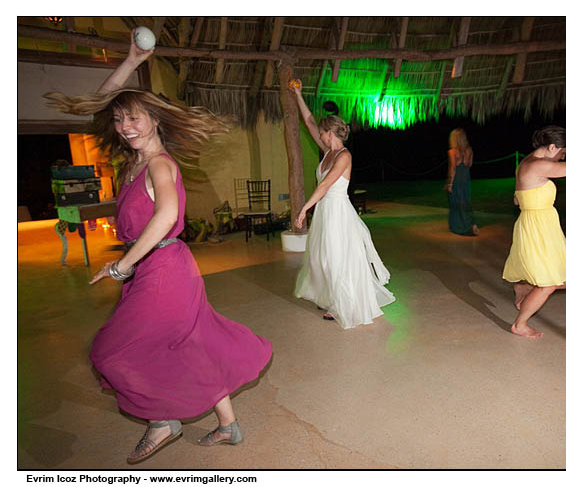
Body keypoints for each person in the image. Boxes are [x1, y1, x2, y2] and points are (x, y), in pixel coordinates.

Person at [44, 32, 273, 464]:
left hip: (161, 268)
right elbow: (102, 103)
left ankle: (162, 419)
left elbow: (166, 217)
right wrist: (131, 61)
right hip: (157, 266)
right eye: (120, 121)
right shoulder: (131, 159)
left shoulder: (160, 163)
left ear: (154, 120)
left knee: (110, 350)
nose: (124, 126)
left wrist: (121, 268)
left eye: (134, 119)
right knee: (189, 342)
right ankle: (228, 426)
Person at [289, 80, 395, 329]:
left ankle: (342, 304)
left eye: (323, 133)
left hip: (338, 213)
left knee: (337, 258)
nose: (320, 135)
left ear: (331, 133)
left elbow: (326, 185)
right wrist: (297, 94)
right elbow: (309, 122)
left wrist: (305, 208)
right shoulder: (327, 151)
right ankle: (330, 296)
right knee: (322, 258)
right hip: (325, 212)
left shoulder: (344, 155)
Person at [502, 117, 566, 339]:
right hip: (537, 228)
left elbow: (517, 199)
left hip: (537, 224)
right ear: (552, 147)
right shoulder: (538, 165)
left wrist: (532, 201)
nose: (562, 158)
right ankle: (520, 324)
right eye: (563, 153)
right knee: (554, 282)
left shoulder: (527, 162)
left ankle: (523, 287)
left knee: (565, 278)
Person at [446, 128, 480, 236]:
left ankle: (459, 227)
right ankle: (472, 223)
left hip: (456, 180)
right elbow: (469, 165)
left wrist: (450, 183)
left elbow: (453, 168)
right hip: (465, 179)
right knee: (466, 201)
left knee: (456, 203)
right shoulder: (470, 150)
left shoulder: (452, 152)